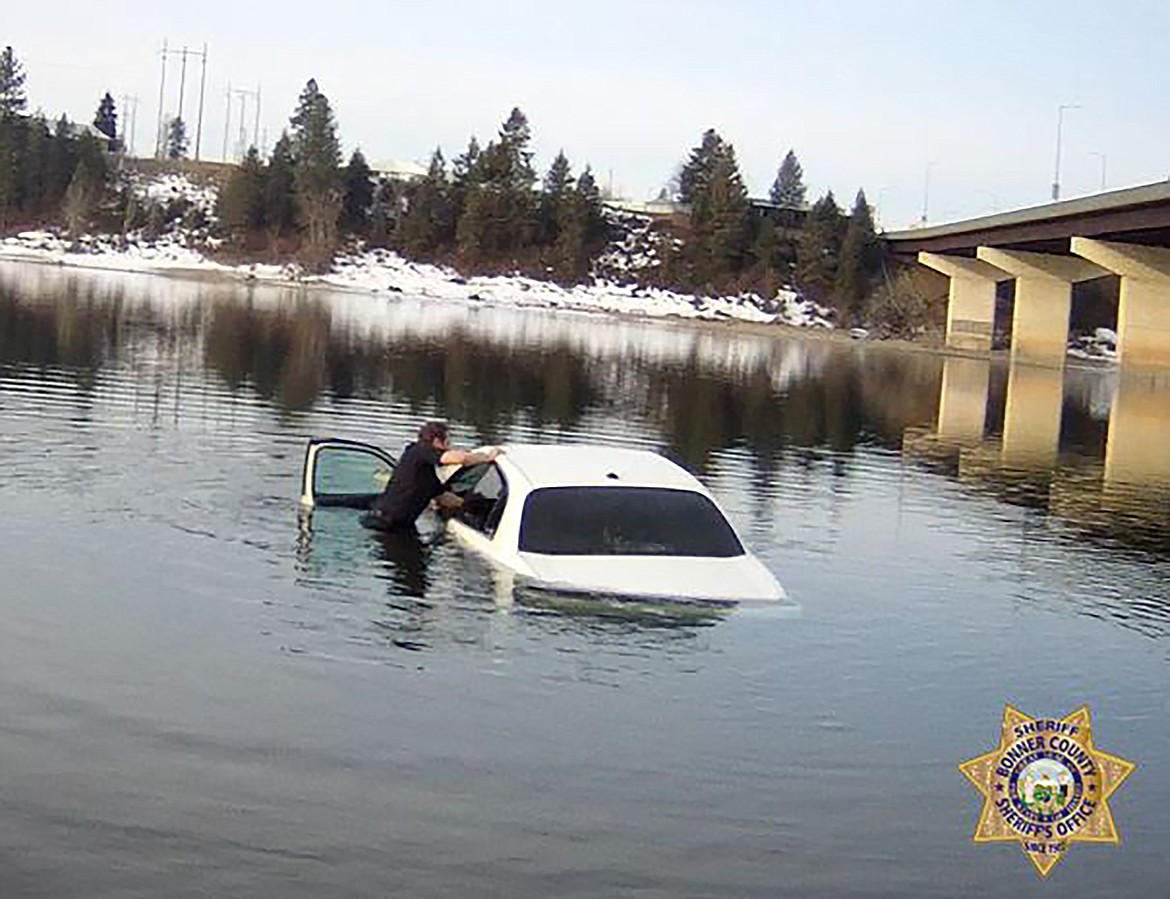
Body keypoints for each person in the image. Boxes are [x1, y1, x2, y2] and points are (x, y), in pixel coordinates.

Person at [363, 421, 501, 532]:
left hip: (397, 525)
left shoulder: (425, 474)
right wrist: (487, 457)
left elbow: (444, 498)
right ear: (436, 442)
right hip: (385, 524)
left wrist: (483, 505)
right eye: (447, 441)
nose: (450, 446)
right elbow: (461, 459)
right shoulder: (421, 450)